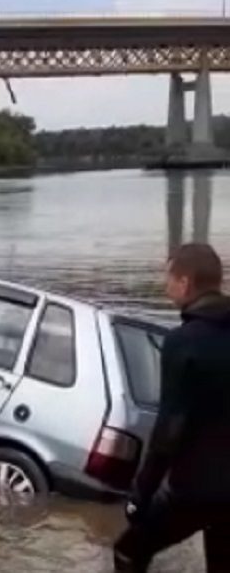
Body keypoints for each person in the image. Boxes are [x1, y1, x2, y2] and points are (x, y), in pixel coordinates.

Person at [114, 243, 230, 572]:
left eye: (169, 278)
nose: (165, 287)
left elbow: (169, 429)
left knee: (128, 550)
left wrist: (141, 493)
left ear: (186, 283)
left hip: (194, 491)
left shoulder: (183, 342)